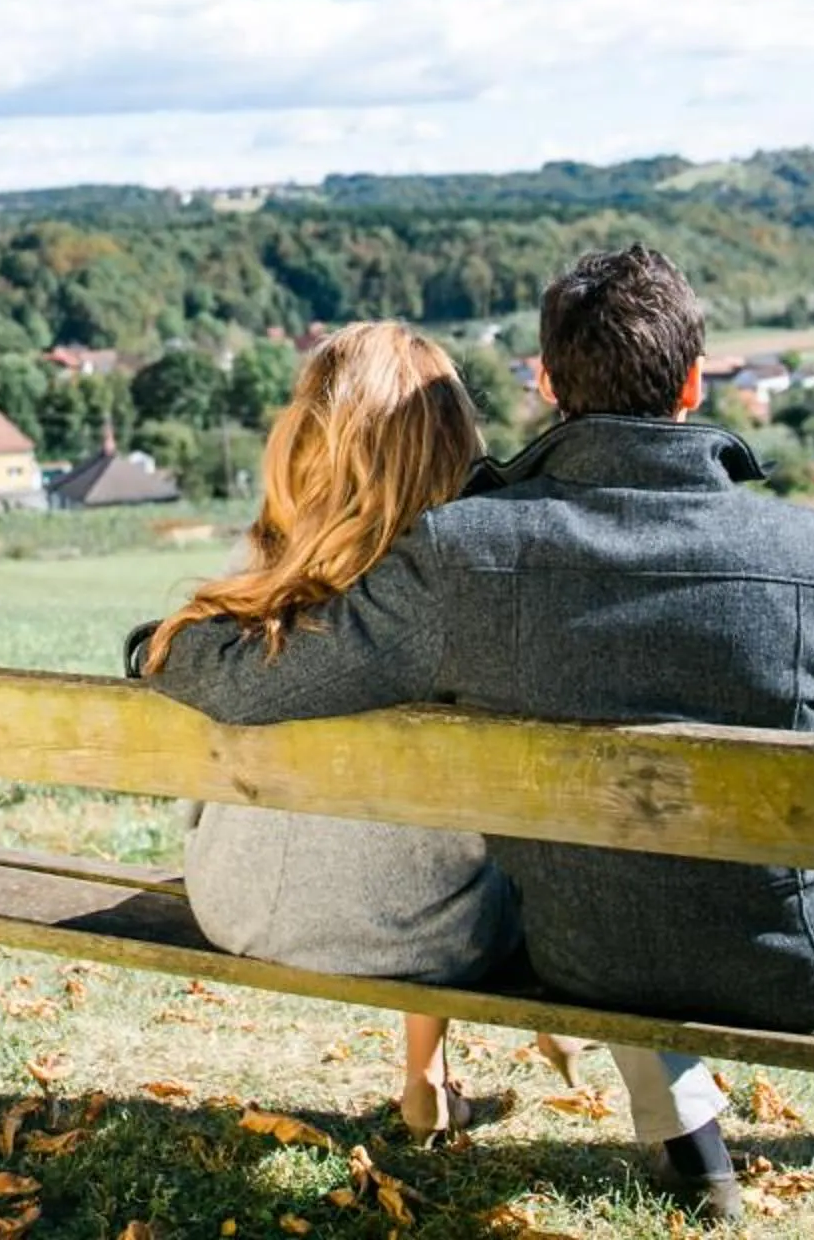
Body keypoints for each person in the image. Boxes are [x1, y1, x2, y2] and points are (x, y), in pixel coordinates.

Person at [137, 249, 814, 1226]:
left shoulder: (469, 552)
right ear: (694, 382)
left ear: (547, 381)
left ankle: (687, 1122)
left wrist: (158, 647)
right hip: (798, 966)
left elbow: (265, 678)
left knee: (610, 857)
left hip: (583, 952)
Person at [139, 321, 585, 1137]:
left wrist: (152, 647)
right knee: (462, 840)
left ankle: (427, 1083)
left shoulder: (259, 571)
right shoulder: (458, 586)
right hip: (421, 933)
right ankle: (435, 1074)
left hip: (232, 902)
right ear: (450, 438)